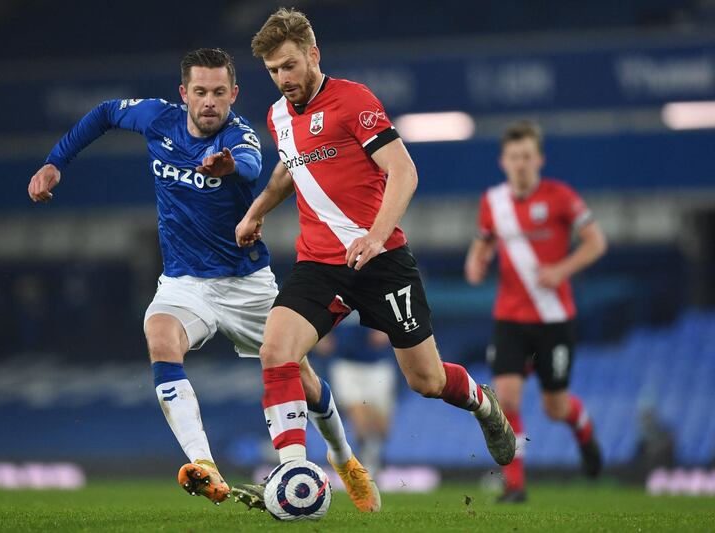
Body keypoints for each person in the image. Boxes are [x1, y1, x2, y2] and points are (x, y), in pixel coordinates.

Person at [27, 48, 362, 508]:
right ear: (183, 93)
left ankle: (345, 459)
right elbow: (105, 113)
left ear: (233, 94)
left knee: (300, 375)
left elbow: (249, 165)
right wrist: (55, 162)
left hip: (247, 284)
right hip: (185, 282)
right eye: (200, 92)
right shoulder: (156, 120)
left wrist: (225, 166)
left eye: (219, 93)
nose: (209, 102)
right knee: (160, 337)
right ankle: (204, 464)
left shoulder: (240, 136)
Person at [232, 8, 515, 513]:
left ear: (313, 54)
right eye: (273, 71)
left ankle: (482, 402)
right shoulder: (278, 116)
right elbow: (286, 170)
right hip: (318, 264)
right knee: (276, 351)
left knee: (426, 381)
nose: (283, 79)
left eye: (290, 66)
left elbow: (404, 172)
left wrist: (374, 235)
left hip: (382, 261)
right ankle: (294, 469)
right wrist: (256, 211)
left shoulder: (353, 100)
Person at [464, 121, 607, 503]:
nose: (521, 164)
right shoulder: (493, 202)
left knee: (554, 406)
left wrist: (561, 270)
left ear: (539, 158)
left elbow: (596, 243)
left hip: (554, 318)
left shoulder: (561, 197)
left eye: (527, 156)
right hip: (510, 318)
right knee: (506, 399)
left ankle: (585, 431)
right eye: (514, 157)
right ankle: (515, 485)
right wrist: (476, 264)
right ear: (503, 162)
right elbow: (481, 246)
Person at [313, 319, 397, 478]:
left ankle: (375, 454)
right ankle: (366, 460)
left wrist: (388, 330)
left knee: (382, 425)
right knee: (357, 411)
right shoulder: (337, 294)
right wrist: (321, 337)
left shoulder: (377, 294)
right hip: (346, 365)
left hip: (377, 365)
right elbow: (320, 310)